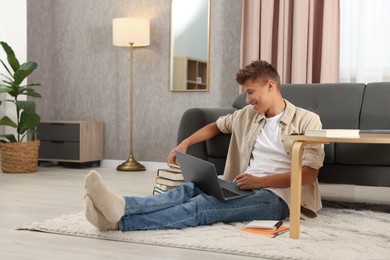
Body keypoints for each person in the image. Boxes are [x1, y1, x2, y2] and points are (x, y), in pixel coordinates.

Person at [84, 60, 324, 231]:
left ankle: (119, 223)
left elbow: (308, 174)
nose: (248, 99)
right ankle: (122, 205)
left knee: (202, 207)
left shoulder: (307, 120)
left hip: (277, 199)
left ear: (270, 85)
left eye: (251, 92)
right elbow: (216, 126)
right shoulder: (248, 115)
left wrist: (259, 181)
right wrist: (185, 143)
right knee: (188, 190)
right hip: (242, 185)